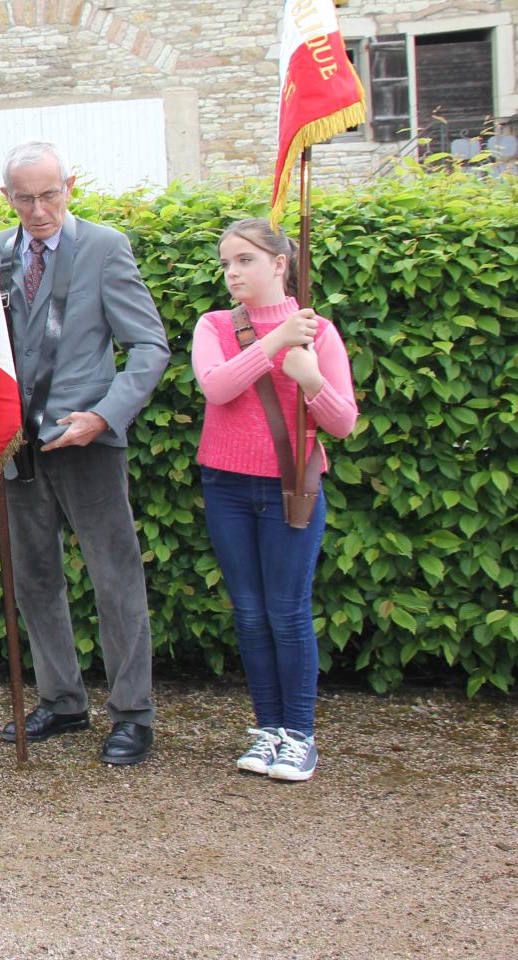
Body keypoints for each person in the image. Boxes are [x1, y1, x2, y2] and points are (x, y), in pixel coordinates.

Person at [0, 140, 169, 766]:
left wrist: (104, 416)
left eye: (49, 194)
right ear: (7, 196)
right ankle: (62, 700)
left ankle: (132, 713)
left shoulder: (104, 247)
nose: (38, 210)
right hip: (20, 447)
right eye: (24, 197)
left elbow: (149, 348)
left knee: (114, 577)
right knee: (36, 579)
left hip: (88, 439)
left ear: (69, 186)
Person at [194, 217, 357, 783]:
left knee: (287, 612)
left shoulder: (318, 332)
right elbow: (216, 388)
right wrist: (273, 344)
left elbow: (342, 423)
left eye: (245, 260)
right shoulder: (214, 325)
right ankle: (266, 728)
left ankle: (299, 735)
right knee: (248, 612)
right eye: (227, 262)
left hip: (294, 484)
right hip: (227, 486)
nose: (232, 272)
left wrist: (310, 376)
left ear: (279, 264)